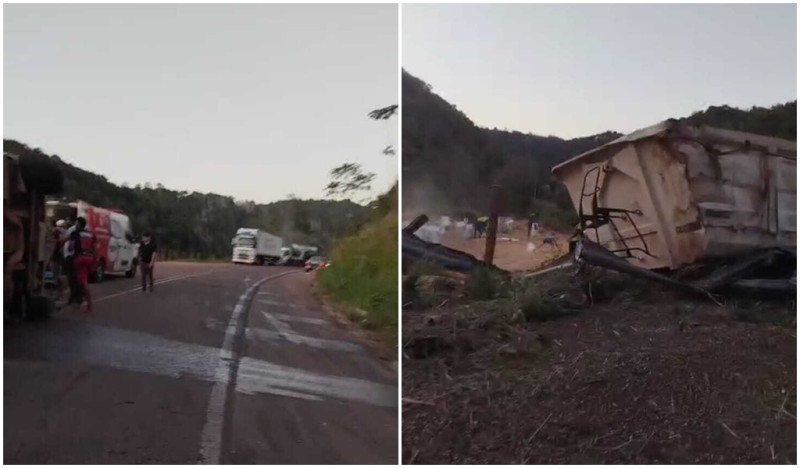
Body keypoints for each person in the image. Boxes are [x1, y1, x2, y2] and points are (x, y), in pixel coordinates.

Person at [70, 217, 97, 314]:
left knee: (82, 282)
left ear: (78, 224)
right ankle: (84, 303)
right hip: (89, 258)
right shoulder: (90, 234)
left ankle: (88, 305)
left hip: (79, 258)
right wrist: (95, 261)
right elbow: (95, 248)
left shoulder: (75, 233)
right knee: (82, 280)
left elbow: (71, 247)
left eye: (76, 223)